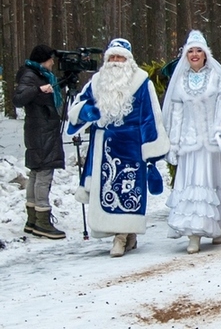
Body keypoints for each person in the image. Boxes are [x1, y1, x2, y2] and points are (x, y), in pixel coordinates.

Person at [67, 38, 170, 256]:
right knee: (105, 192)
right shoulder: (97, 81)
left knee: (127, 192)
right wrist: (87, 112)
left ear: (129, 60)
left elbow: (150, 117)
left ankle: (120, 238)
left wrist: (151, 150)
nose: (115, 62)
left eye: (119, 57)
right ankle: (126, 235)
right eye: (111, 57)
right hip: (102, 147)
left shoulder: (142, 83)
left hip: (130, 147)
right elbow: (78, 106)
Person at [163, 30, 221, 254]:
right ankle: (193, 233)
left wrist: (220, 132)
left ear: (205, 54)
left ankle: (220, 224)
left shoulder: (216, 76)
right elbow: (176, 113)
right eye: (191, 51)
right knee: (192, 185)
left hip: (213, 143)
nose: (195, 55)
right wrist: (173, 144)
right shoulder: (180, 80)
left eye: (199, 51)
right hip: (190, 143)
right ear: (186, 55)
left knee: (214, 182)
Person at [13, 44, 66, 240]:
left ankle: (33, 219)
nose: (53, 62)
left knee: (37, 172)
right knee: (43, 173)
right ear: (43, 59)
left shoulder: (38, 74)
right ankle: (42, 220)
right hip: (41, 131)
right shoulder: (31, 76)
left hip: (41, 129)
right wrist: (38, 89)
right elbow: (18, 99)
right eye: (51, 59)